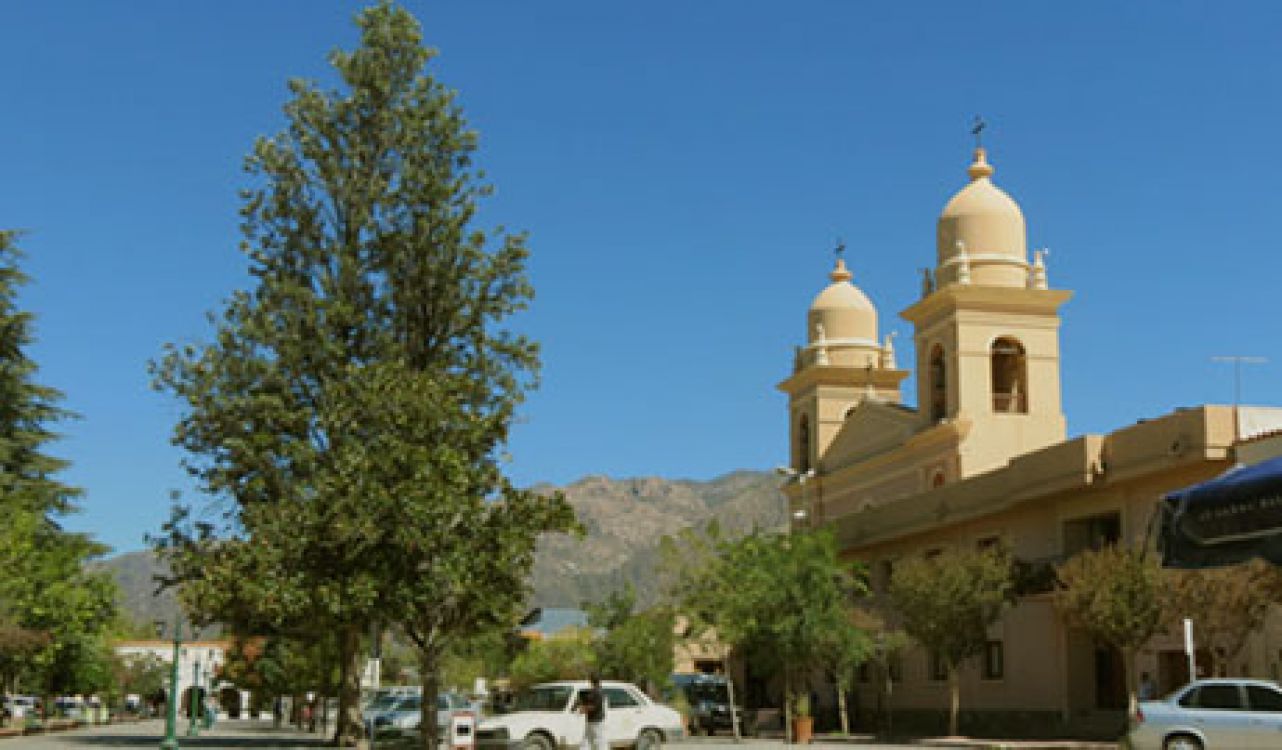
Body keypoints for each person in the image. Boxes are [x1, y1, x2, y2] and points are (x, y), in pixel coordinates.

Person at [578, 675, 607, 750]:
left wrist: (583, 709)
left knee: (599, 742)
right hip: (591, 720)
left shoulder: (598, 692)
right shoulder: (594, 691)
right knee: (586, 741)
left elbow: (594, 706)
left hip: (597, 721)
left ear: (591, 681)